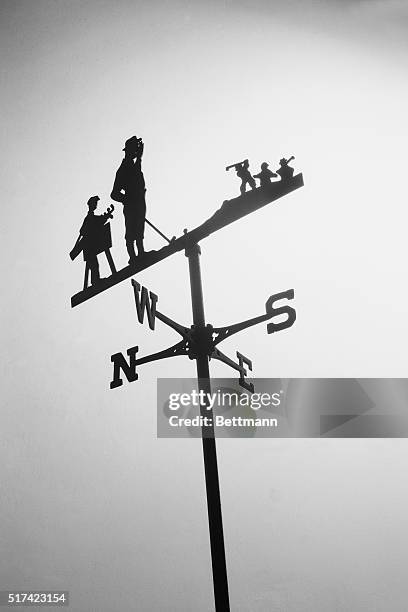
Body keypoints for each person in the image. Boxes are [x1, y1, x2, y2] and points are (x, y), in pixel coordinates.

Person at [111, 135, 146, 263]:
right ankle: (133, 257)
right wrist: (127, 200)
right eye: (134, 150)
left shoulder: (133, 165)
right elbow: (114, 193)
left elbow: (137, 169)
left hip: (139, 201)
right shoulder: (123, 169)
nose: (136, 152)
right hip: (132, 204)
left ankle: (141, 253)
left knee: (140, 229)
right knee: (131, 231)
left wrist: (140, 157)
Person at [70, 196, 115, 288]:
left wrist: (106, 216)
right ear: (91, 205)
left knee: (94, 264)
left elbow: (98, 220)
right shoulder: (89, 217)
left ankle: (95, 280)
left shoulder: (90, 217)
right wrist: (105, 216)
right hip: (89, 247)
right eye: (95, 204)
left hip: (90, 247)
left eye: (96, 204)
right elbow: (84, 229)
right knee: (94, 265)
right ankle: (95, 281)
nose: (96, 205)